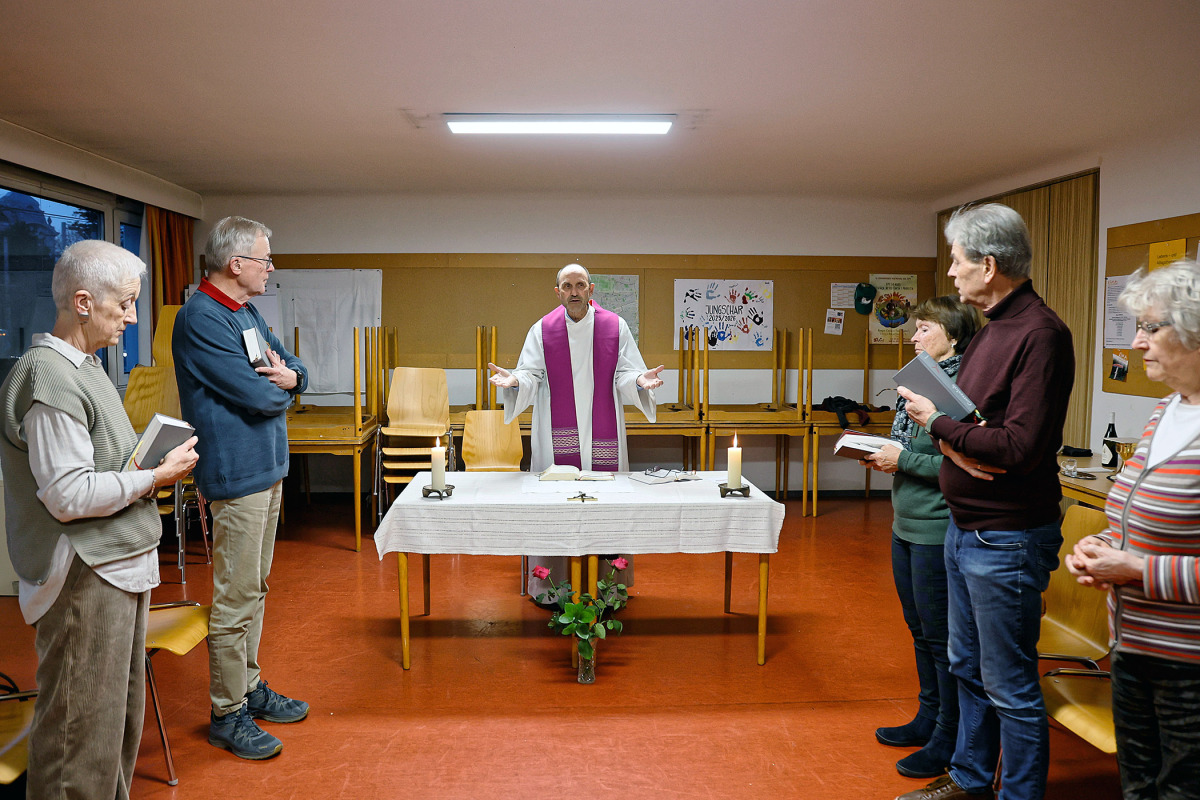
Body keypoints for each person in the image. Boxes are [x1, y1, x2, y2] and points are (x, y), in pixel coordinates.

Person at [0, 240, 198, 799]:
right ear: (83, 302)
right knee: (78, 737)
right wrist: (154, 477)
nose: (132, 317)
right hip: (85, 573)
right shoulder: (48, 377)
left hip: (113, 564)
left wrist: (148, 464)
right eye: (125, 303)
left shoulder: (85, 368)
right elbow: (68, 495)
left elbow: (99, 463)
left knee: (114, 725)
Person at [894, 203, 1075, 800]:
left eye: (957, 261)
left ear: (989, 265)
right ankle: (971, 780)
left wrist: (936, 423)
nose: (950, 273)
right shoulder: (993, 328)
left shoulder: (1041, 334)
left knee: (1010, 685)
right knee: (967, 668)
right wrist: (955, 440)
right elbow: (976, 426)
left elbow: (1016, 446)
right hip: (965, 527)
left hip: (1007, 536)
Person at [173, 216, 310, 760]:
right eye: (265, 259)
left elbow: (292, 366)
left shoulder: (246, 312)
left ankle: (248, 688)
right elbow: (256, 395)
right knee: (235, 597)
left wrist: (291, 378)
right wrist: (284, 389)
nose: (270, 268)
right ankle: (227, 713)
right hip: (236, 475)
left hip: (267, 470)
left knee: (256, 588)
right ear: (236, 264)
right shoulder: (201, 318)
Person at [1067, 259, 1200, 800]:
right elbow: (1134, 516)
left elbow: (1145, 558)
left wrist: (1137, 569)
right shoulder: (1165, 410)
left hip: (1189, 665)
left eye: (1150, 327)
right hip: (1133, 648)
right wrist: (1100, 546)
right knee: (1137, 789)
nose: (1136, 342)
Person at [488, 263, 664, 597]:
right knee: (555, 503)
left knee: (607, 504)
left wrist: (640, 380)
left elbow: (626, 373)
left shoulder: (615, 326)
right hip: (555, 435)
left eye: (580, 285)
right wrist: (515, 381)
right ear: (558, 292)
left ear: (591, 289)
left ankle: (608, 590)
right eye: (567, 286)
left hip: (603, 435)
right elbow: (530, 374)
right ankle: (553, 588)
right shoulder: (542, 330)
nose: (574, 292)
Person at [862, 297, 979, 780]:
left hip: (936, 527)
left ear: (953, 335)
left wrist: (902, 460)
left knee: (939, 637)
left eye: (924, 328)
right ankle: (928, 718)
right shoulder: (920, 383)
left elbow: (962, 462)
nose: (913, 337)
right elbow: (911, 448)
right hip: (904, 524)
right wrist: (884, 453)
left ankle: (947, 737)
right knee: (919, 630)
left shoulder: (962, 390)